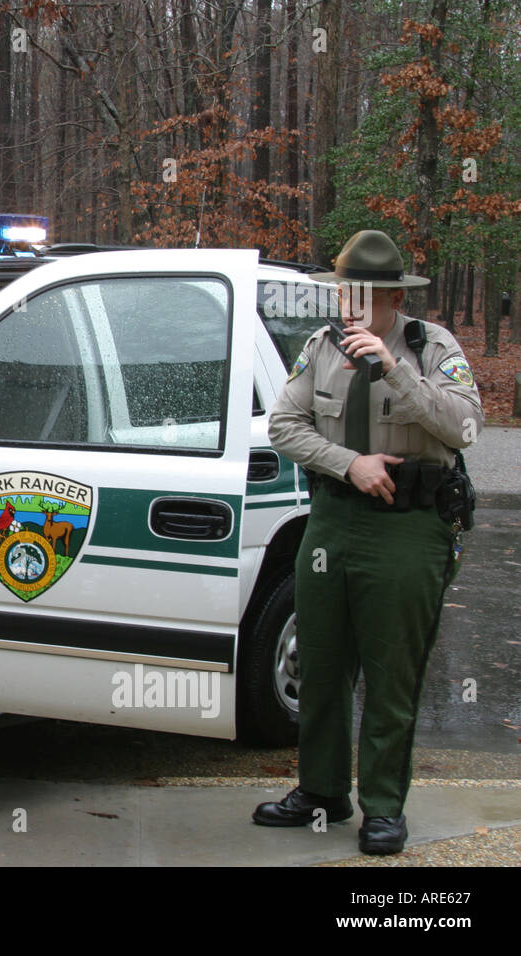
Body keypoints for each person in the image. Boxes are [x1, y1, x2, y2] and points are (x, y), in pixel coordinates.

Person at [254, 229, 483, 854]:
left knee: (391, 672)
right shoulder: (320, 347)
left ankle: (383, 806)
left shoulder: (431, 347)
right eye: (341, 291)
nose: (346, 305)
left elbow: (464, 426)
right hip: (332, 519)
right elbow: (283, 423)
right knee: (321, 663)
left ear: (389, 297)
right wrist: (347, 463)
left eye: (360, 293)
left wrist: (394, 370)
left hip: (408, 527)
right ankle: (322, 791)